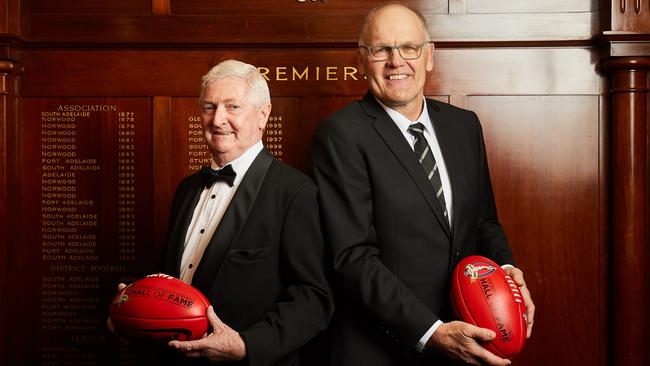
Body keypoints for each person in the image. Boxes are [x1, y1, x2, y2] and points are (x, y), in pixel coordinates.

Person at [309, 3, 535, 366]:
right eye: (382, 49)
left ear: (429, 56)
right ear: (362, 59)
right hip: (380, 348)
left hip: (469, 339)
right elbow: (351, 257)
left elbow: (483, 223)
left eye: (409, 48)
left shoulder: (464, 126)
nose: (396, 61)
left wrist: (508, 276)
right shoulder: (340, 135)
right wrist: (431, 332)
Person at [111, 59, 333, 366]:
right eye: (209, 107)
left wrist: (245, 345)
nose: (218, 120)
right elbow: (172, 284)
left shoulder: (294, 191)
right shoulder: (186, 190)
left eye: (232, 107)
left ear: (263, 114)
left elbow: (313, 299)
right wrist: (135, 306)